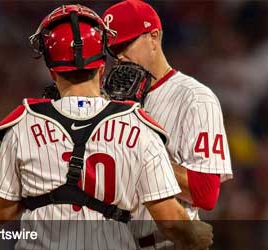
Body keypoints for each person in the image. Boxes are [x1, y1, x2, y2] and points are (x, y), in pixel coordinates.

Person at [0, 4, 213, 250]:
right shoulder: (139, 126)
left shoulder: (23, 124)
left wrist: (45, 191)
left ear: (52, 73)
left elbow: (1, 212)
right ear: (101, 67)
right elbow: (169, 220)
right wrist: (194, 234)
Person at [103, 0, 233, 248]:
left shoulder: (195, 97)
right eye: (112, 49)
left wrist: (137, 152)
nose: (118, 56)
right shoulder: (107, 99)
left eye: (125, 44)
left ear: (154, 37)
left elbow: (205, 193)